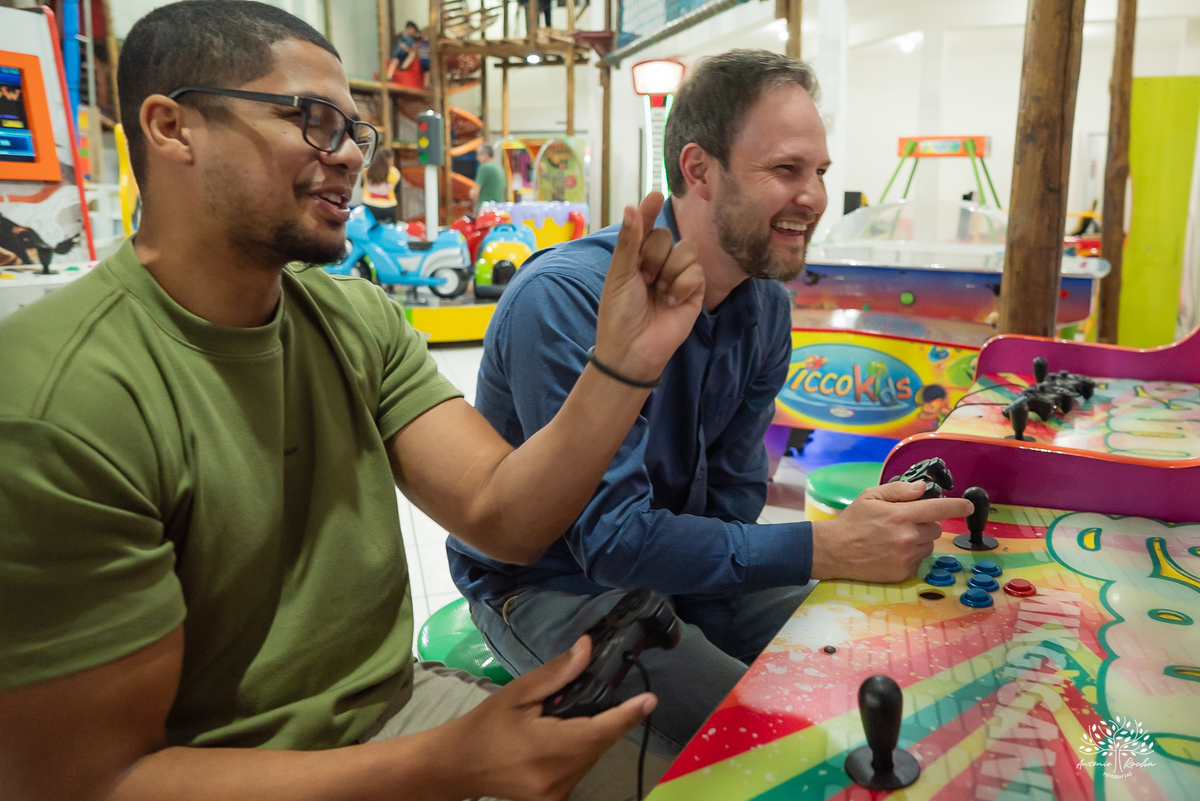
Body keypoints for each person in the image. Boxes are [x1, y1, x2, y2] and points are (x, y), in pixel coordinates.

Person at [0, 2, 707, 799]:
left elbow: (505, 514)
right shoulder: (61, 398)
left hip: (399, 713)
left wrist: (622, 363)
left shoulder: (353, 317)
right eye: (312, 119)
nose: (348, 157)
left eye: (355, 133)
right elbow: (92, 780)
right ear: (172, 128)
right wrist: (444, 762)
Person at [447, 49, 976, 757]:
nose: (815, 196)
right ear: (698, 169)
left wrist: (838, 551)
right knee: (778, 743)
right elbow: (608, 542)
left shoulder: (765, 307)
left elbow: (730, 501)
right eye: (786, 170)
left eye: (819, 171)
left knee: (886, 664)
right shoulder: (569, 298)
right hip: (551, 584)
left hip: (675, 565)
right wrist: (826, 544)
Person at [362, 148, 400, 224]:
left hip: (369, 206)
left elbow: (362, 185)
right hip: (388, 207)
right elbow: (396, 191)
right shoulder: (394, 172)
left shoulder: (367, 170)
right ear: (389, 159)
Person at [471, 143, 507, 211]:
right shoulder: (498, 166)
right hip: (498, 207)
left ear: (486, 154)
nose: (477, 158)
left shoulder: (485, 168)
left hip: (486, 209)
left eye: (478, 154)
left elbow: (474, 193)